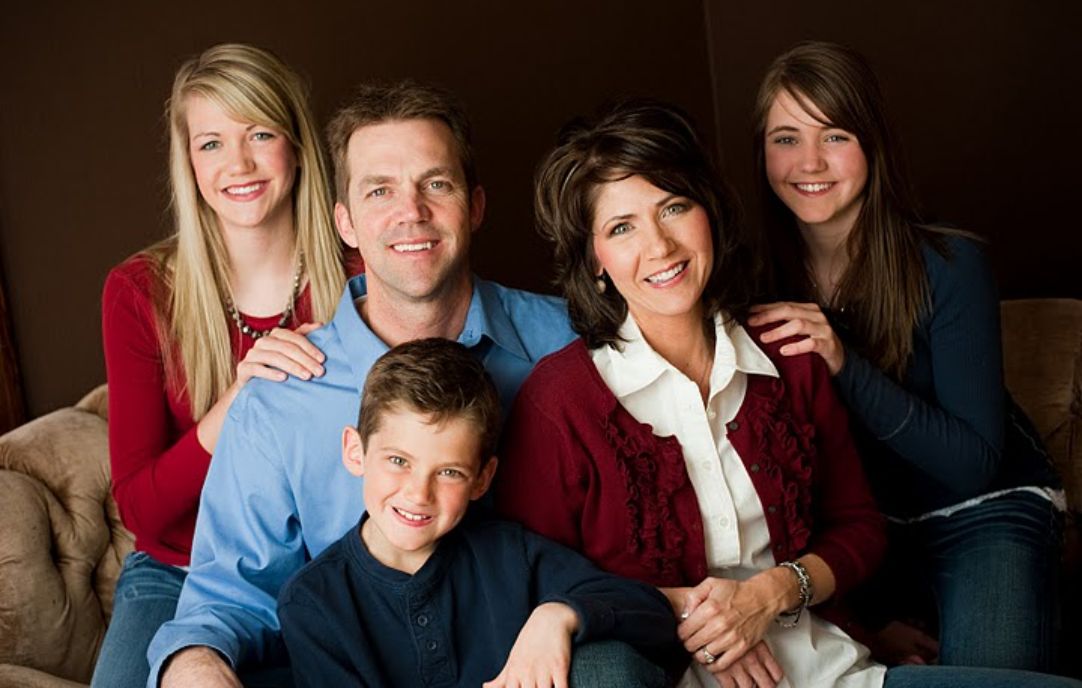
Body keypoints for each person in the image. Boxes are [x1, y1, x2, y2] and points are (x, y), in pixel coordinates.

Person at [495, 98, 1081, 688]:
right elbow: (533, 570)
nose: (661, 245)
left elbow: (857, 525)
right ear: (595, 260)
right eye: (621, 228)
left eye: (674, 207)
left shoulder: (786, 355)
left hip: (832, 670)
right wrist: (705, 616)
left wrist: (773, 591)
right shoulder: (561, 399)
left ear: (710, 214)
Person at [148, 80, 671, 688]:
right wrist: (195, 666)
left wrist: (796, 335)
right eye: (380, 190)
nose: (412, 212)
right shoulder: (281, 397)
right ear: (345, 223)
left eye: (436, 184)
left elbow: (693, 366)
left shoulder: (574, 343)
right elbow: (229, 598)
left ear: (475, 206)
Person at [745, 41, 1064, 672]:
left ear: (873, 144)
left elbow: (972, 465)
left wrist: (843, 361)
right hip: (866, 536)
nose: (809, 162)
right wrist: (856, 621)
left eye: (834, 135)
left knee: (986, 681)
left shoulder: (951, 265)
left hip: (983, 510)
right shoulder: (752, 281)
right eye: (785, 138)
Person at [96, 43, 347, 688]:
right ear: (188, 161)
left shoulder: (359, 276)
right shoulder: (139, 291)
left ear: (294, 142)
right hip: (176, 569)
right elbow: (141, 509)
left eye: (260, 133)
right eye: (210, 143)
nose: (238, 163)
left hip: (327, 568)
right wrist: (234, 406)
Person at [277, 337, 676, 687]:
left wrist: (559, 615)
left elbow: (650, 612)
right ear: (355, 451)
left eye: (449, 472)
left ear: (482, 479)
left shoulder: (507, 555)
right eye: (398, 461)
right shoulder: (314, 601)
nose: (419, 494)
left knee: (608, 664)